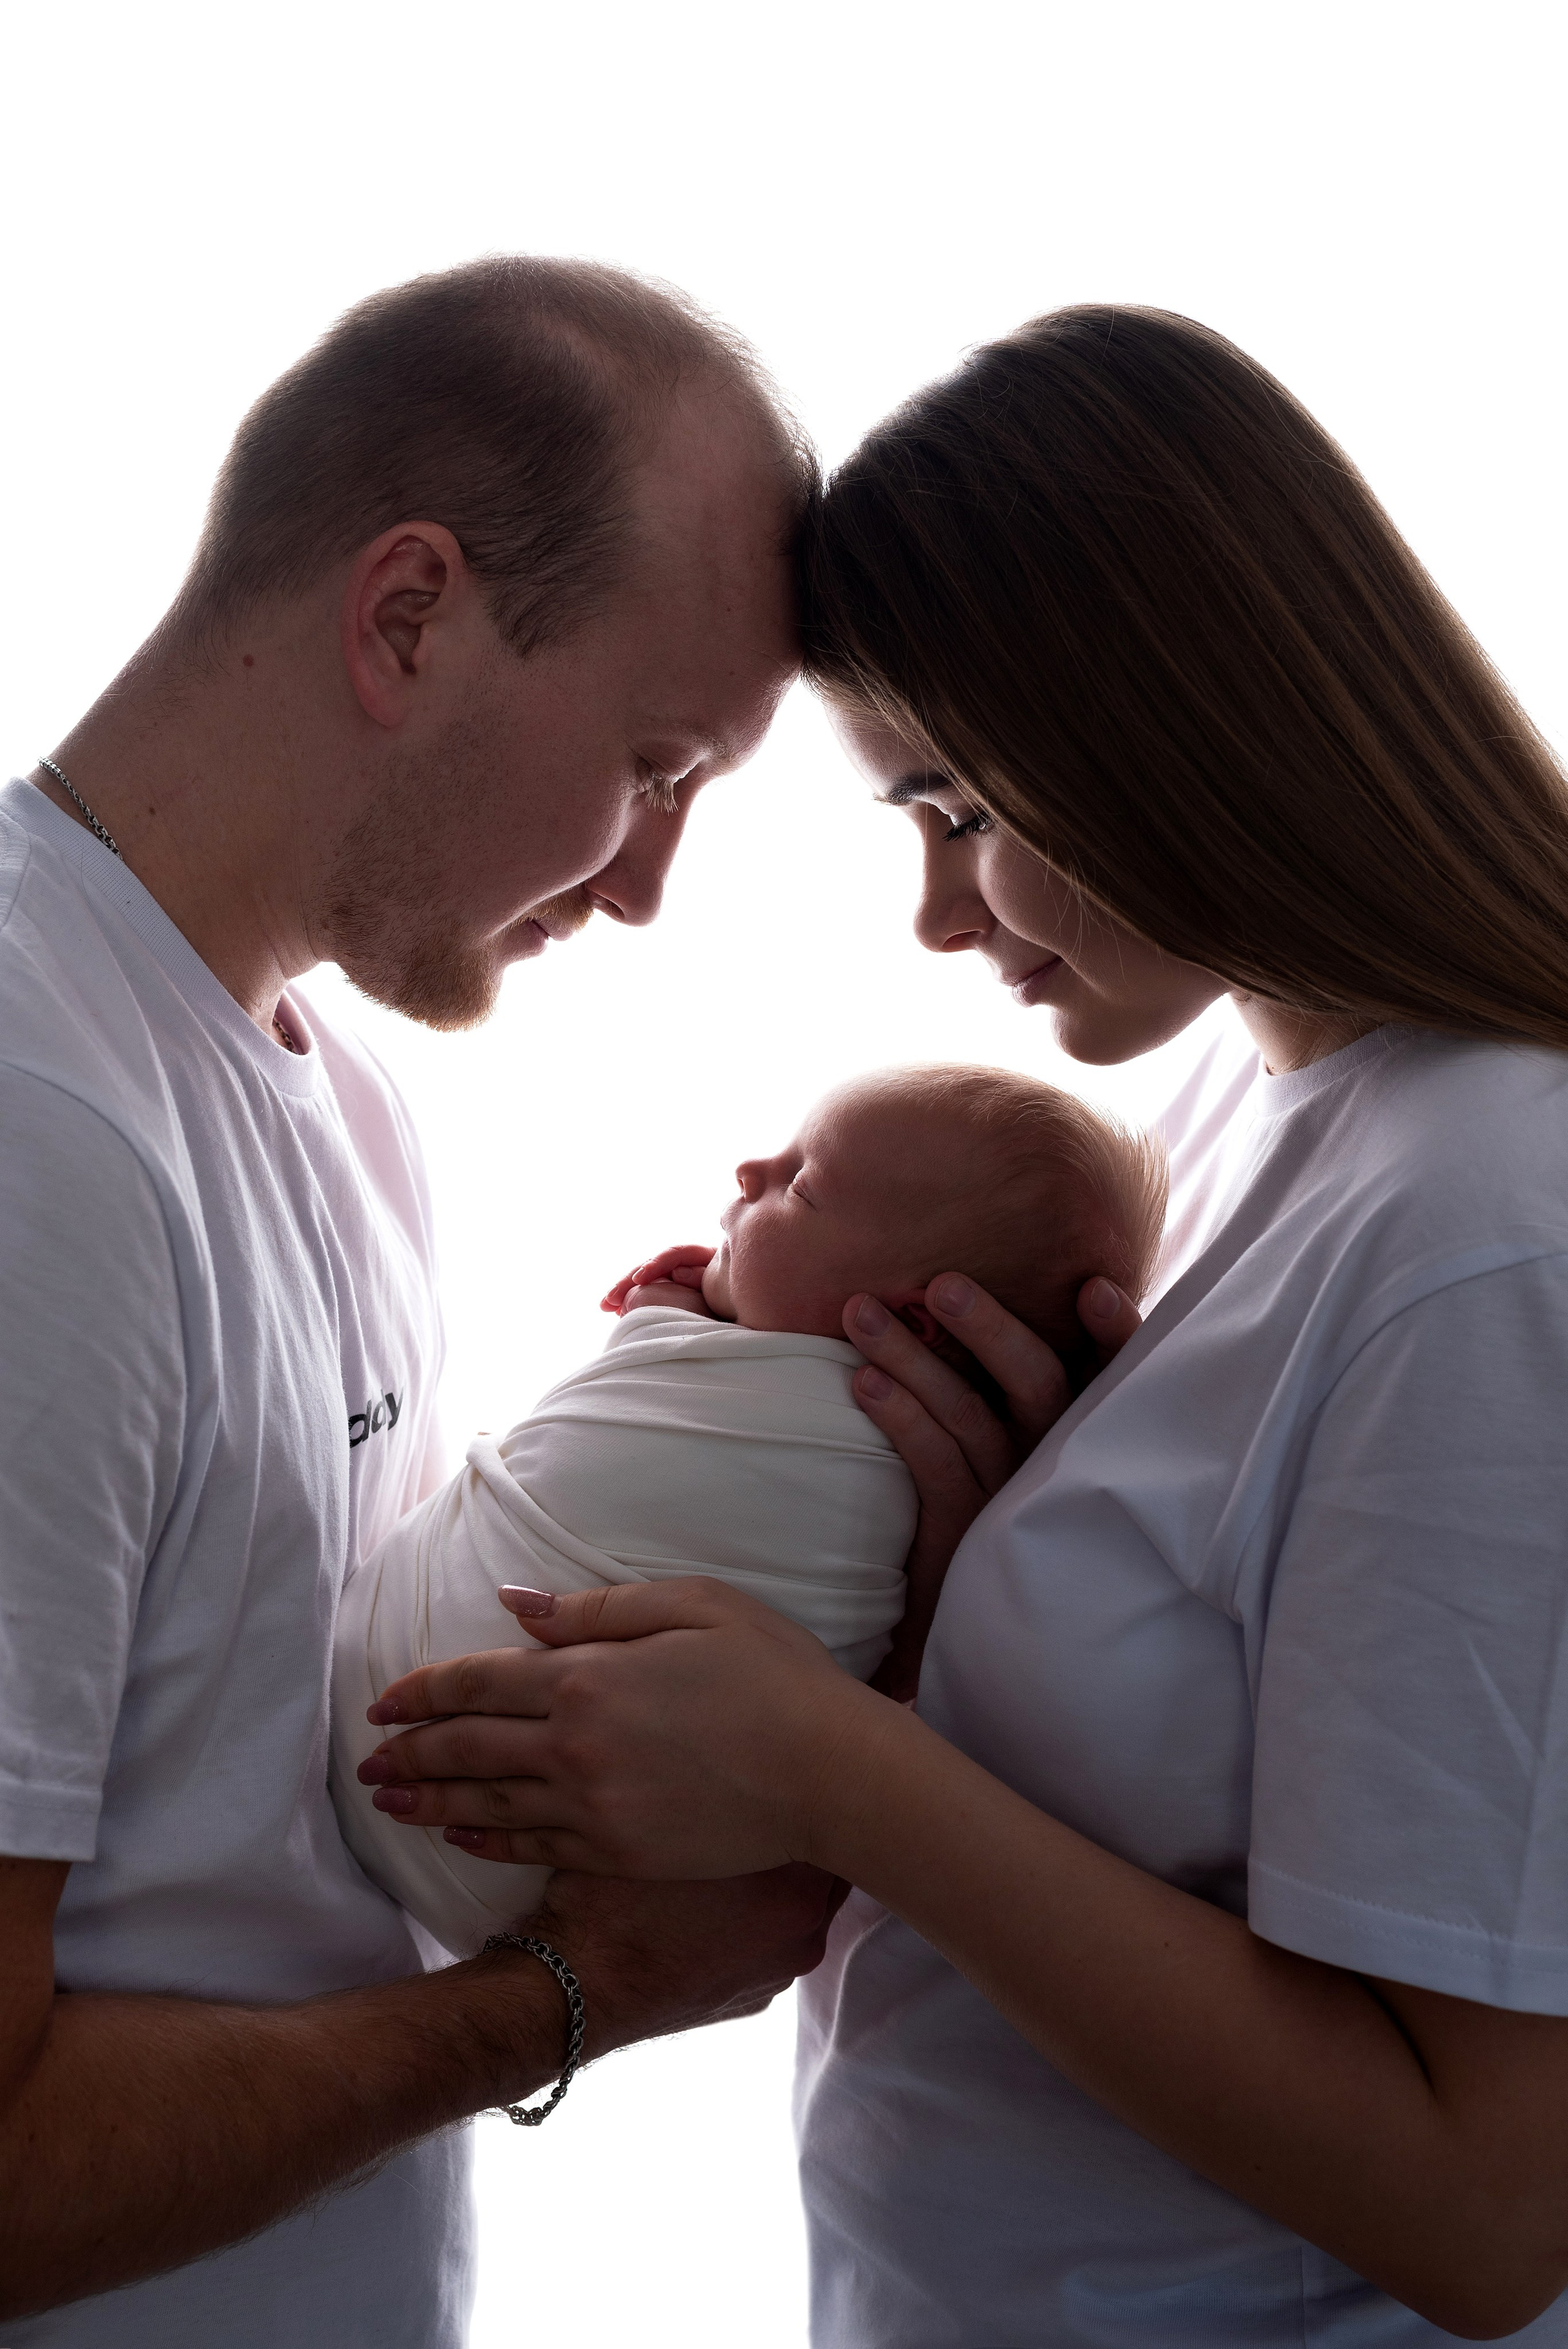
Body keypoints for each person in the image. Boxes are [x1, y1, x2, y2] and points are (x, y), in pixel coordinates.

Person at [360, 308, 1568, 2343]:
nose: (938, 917)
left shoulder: (1491, 1230)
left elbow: (1482, 2205)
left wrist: (838, 1774)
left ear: (1179, 724)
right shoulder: (1230, 1107)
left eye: (959, 804)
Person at [0, 254, 844, 2345]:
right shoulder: (37, 1128)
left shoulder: (334, 1099)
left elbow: (301, 1809)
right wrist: (576, 1994)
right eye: (661, 763)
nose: (650, 880)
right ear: (408, 617)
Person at [331, 1065, 1166, 1955]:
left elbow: (648, 1379)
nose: (749, 1172)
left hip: (450, 1788)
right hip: (526, 1887)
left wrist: (662, 1310)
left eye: (800, 1186)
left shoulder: (823, 1431)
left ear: (914, 1325)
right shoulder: (922, 1462)